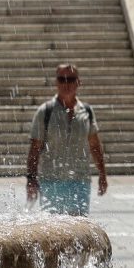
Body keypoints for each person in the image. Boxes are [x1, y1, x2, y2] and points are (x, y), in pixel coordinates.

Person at [26, 64, 109, 216]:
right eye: (62, 79)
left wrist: (102, 174)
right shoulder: (45, 111)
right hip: (51, 181)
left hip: (79, 181)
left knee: (79, 232)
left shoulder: (87, 112)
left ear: (78, 82)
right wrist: (31, 180)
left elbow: (95, 146)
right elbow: (34, 149)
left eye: (70, 79)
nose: (66, 84)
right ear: (56, 82)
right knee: (53, 233)